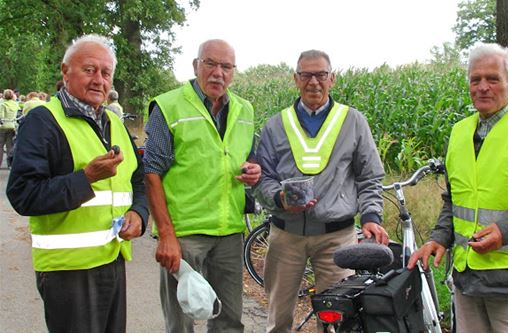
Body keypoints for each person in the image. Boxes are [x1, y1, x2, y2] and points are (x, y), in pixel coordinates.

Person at [408, 43, 508, 333]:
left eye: (493, 79)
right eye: (475, 79)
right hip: (469, 284)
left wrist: (507, 231)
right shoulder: (459, 133)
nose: (483, 87)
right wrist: (440, 238)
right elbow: (455, 200)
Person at [6, 34, 148, 333]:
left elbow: (138, 178)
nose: (99, 80)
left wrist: (139, 213)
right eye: (89, 69)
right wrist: (86, 179)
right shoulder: (43, 121)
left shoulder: (114, 122)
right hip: (67, 271)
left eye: (106, 72)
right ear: (65, 71)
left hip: (112, 259)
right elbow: (23, 195)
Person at [253, 49, 388, 332]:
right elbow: (261, 178)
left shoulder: (353, 122)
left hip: (337, 239)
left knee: (338, 318)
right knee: (278, 320)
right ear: (296, 79)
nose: (314, 82)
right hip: (285, 236)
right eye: (306, 75)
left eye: (321, 75)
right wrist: (278, 198)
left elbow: (370, 176)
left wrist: (372, 216)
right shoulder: (275, 125)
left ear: (332, 79)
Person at [144, 39, 261, 333]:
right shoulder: (169, 106)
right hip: (184, 234)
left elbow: (247, 157)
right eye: (210, 63)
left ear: (234, 72)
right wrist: (166, 234)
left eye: (226, 66)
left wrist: (254, 170)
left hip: (229, 232)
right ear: (196, 65)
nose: (217, 73)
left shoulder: (245, 110)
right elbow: (152, 172)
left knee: (229, 320)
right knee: (182, 321)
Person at [0, 89, 19, 168]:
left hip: (3, 127)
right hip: (12, 126)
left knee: (0, 146)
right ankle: (10, 164)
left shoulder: (3, 105)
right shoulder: (16, 104)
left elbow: (1, 117)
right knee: (10, 146)